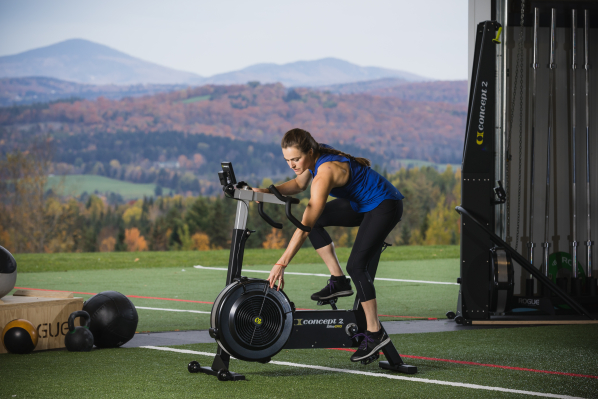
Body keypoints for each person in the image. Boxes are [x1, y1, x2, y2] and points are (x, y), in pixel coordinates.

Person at [252, 128, 404, 363]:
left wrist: (281, 263)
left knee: (356, 266)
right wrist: (263, 192)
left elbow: (304, 227)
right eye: (287, 160)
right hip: (362, 203)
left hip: (384, 205)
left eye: (296, 159)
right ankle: (338, 281)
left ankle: (375, 333)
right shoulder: (314, 156)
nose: (292, 165)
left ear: (309, 152)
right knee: (319, 221)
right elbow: (298, 184)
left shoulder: (325, 173)